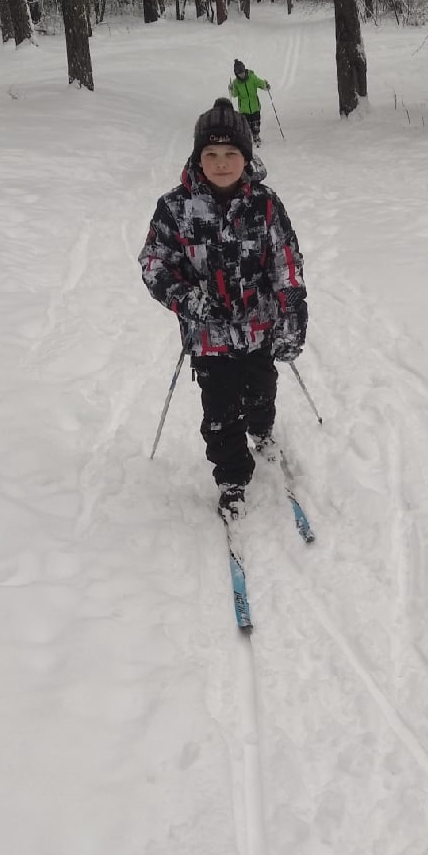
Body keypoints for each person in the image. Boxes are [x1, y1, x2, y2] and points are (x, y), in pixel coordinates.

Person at [139, 98, 307, 520]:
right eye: (210, 155)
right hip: (209, 340)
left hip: (259, 330)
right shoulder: (175, 208)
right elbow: (154, 262)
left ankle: (263, 429)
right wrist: (186, 298)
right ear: (197, 158)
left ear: (246, 157)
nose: (220, 163)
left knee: (260, 394)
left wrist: (292, 316)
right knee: (219, 414)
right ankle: (232, 478)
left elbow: (286, 264)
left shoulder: (266, 205)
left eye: (231, 154)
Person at [228, 58, 270, 145]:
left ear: (245, 70)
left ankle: (256, 136)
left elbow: (260, 83)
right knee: (246, 124)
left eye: (242, 72)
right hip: (243, 108)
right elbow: (235, 94)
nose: (242, 75)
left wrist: (265, 85)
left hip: (255, 106)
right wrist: (231, 89)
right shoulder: (236, 83)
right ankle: (247, 136)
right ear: (236, 74)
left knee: (256, 123)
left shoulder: (252, 78)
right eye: (239, 74)